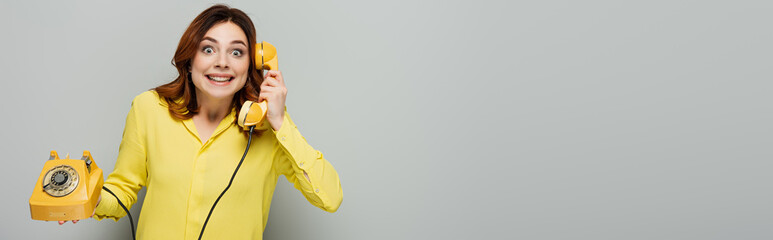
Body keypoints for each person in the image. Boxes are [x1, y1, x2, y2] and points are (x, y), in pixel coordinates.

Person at [57, 4, 343, 239]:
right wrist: (87, 199)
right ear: (189, 58)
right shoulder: (148, 109)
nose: (222, 62)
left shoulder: (270, 127)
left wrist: (281, 123)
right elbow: (121, 190)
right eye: (208, 49)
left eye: (236, 52)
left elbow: (329, 197)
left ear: (252, 65)